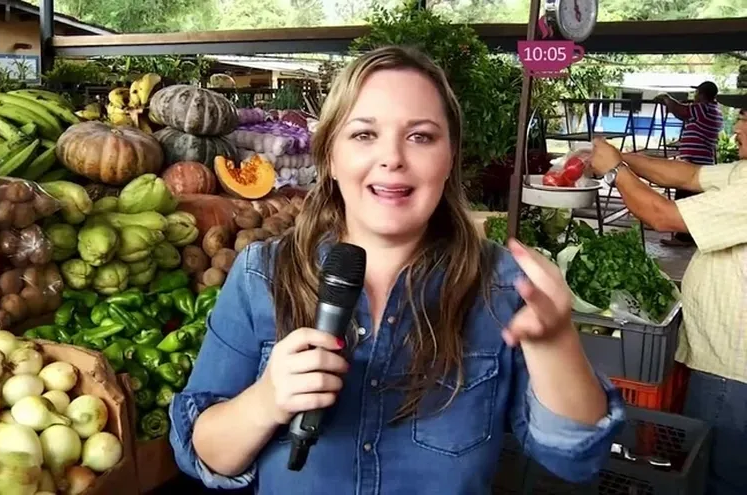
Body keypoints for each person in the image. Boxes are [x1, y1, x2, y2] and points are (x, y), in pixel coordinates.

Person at [168, 46, 624, 494]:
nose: (392, 158)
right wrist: (266, 400)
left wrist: (556, 341)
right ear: (329, 157)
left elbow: (577, 459)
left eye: (421, 136)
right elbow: (201, 453)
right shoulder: (262, 275)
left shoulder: (502, 284)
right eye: (364, 134)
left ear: (450, 160)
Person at [591, 102, 747, 495]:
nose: (737, 130)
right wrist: (622, 156)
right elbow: (690, 174)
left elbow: (663, 215)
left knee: (717, 474)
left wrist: (614, 171)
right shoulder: (742, 172)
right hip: (719, 359)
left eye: (745, 121)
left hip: (732, 370)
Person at [655, 81, 724, 246]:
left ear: (701, 95)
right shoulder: (713, 110)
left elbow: (681, 111)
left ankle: (684, 237)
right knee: (692, 199)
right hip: (700, 160)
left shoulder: (704, 108)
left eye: (696, 94)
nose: (694, 97)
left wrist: (666, 98)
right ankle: (691, 235)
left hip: (694, 162)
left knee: (685, 201)